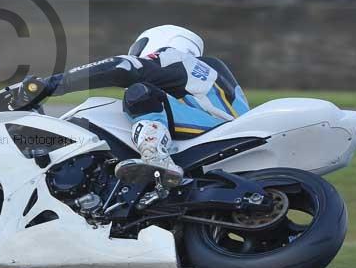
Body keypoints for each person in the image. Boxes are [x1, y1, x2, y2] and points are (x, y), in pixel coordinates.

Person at [20, 25, 250, 187]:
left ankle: (156, 158)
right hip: (225, 138)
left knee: (140, 94)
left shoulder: (175, 56)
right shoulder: (205, 79)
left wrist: (49, 85)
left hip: (215, 133)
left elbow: (122, 67)